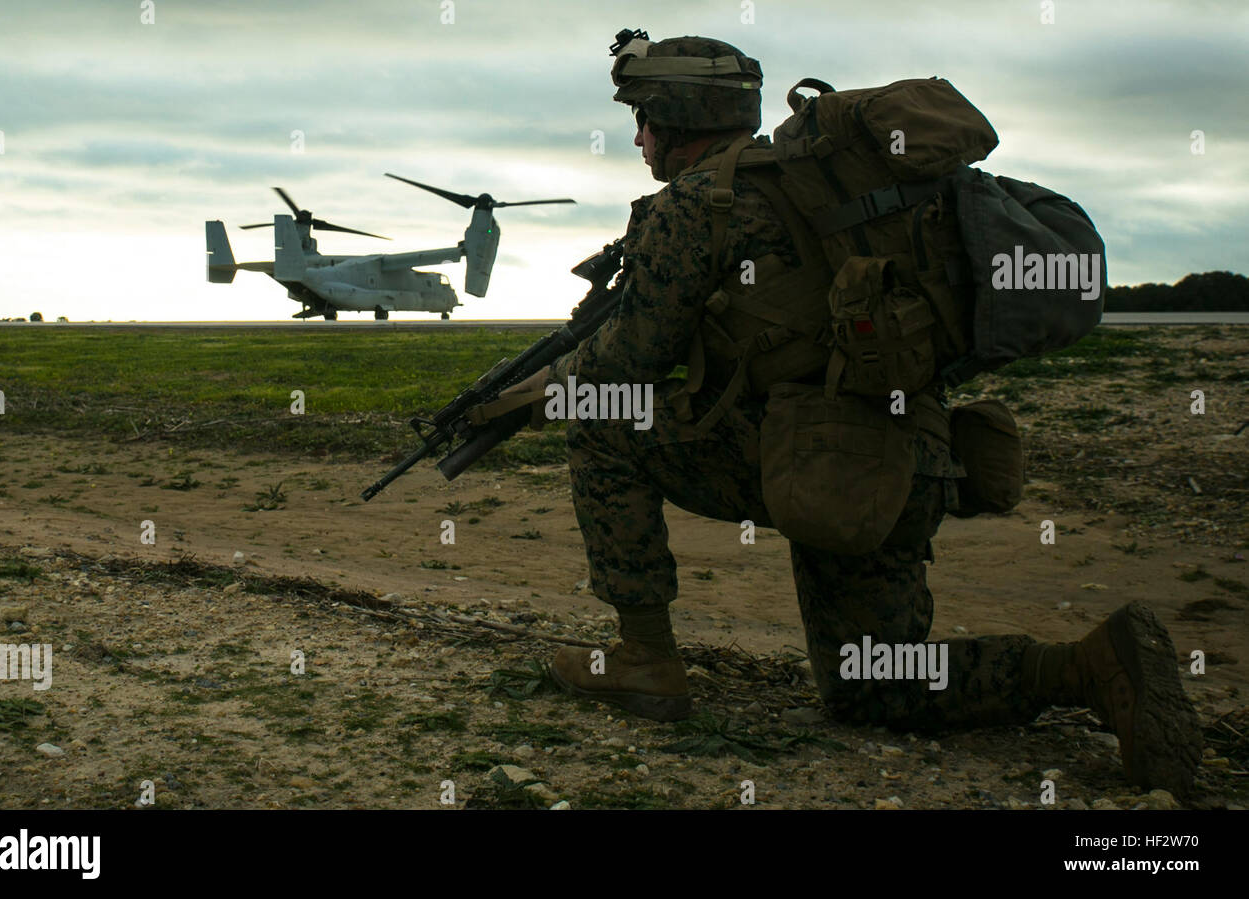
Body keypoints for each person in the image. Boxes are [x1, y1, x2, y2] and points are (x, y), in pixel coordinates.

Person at [486, 30, 1203, 798]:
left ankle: (645, 659)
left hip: (817, 467)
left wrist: (539, 395)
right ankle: (1088, 667)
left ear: (677, 113)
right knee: (874, 685)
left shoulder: (694, 206)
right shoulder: (832, 188)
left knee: (601, 420)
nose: (636, 137)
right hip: (908, 460)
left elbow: (625, 364)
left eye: (644, 119)